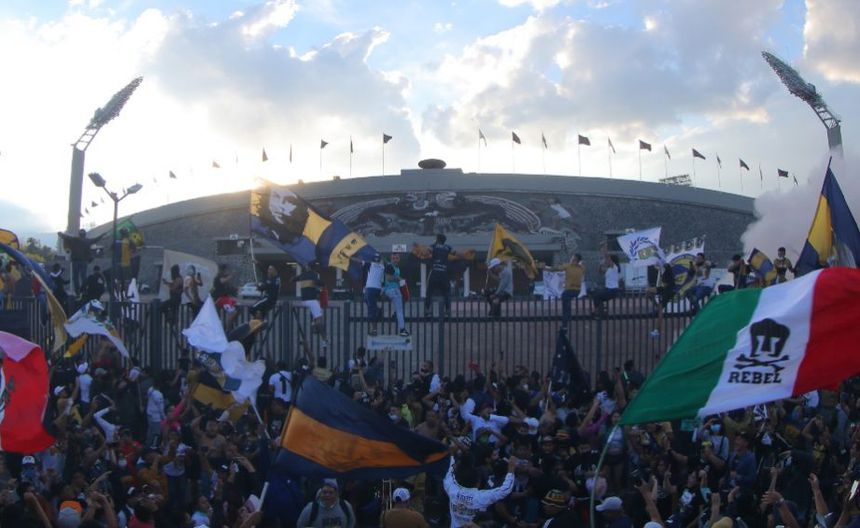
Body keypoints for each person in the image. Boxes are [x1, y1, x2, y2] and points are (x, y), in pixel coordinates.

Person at [444, 455, 517, 528]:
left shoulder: (452, 490)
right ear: (478, 483)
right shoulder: (480, 497)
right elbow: (505, 490)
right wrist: (511, 468)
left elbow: (447, 474)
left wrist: (451, 456)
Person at [58, 228, 104, 296]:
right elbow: (95, 239)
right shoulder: (87, 241)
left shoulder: (74, 239)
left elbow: (66, 237)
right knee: (83, 277)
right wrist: (102, 235)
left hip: (75, 261)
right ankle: (84, 290)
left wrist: (60, 234)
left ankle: (77, 292)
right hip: (83, 262)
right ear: (85, 234)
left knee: (76, 277)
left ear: (79, 234)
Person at [292, 262, 327, 342]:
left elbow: (292, 279)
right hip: (312, 299)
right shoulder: (314, 274)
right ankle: (324, 339)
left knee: (314, 312)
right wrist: (322, 285)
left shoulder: (302, 275)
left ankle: (313, 323)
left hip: (304, 300)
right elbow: (320, 283)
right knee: (319, 319)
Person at [424, 233, 457, 317]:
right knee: (446, 292)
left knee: (429, 291)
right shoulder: (447, 247)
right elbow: (454, 252)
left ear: (437, 239)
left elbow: (427, 251)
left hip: (435, 272)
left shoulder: (433, 246)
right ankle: (448, 310)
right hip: (444, 273)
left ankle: (427, 309)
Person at [545, 253, 585, 321]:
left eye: (573, 259)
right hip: (573, 289)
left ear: (576, 260)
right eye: (572, 258)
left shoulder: (575, 267)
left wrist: (546, 268)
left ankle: (566, 315)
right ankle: (567, 315)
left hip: (573, 289)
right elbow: (556, 269)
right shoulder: (574, 266)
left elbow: (556, 269)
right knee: (566, 299)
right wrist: (547, 268)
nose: (571, 260)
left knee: (565, 297)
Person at [383, 253, 410, 336]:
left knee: (402, 303)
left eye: (396, 258)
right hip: (392, 290)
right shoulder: (389, 266)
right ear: (391, 259)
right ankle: (402, 329)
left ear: (399, 259)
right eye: (393, 258)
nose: (395, 259)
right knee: (400, 310)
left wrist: (401, 280)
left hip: (395, 290)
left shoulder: (396, 268)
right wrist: (399, 279)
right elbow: (388, 278)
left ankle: (395, 314)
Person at [361, 254, 385, 336]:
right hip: (377, 289)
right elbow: (382, 280)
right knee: (367, 300)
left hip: (370, 288)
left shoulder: (370, 264)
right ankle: (377, 309)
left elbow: (359, 261)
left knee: (371, 309)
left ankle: (374, 330)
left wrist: (349, 257)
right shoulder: (382, 267)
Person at [591, 249, 620, 317]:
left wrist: (604, 249)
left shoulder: (614, 267)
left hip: (612, 290)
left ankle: (596, 311)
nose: (607, 261)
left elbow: (607, 257)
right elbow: (600, 271)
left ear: (612, 261)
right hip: (608, 289)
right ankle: (601, 312)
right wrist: (600, 264)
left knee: (597, 296)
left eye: (609, 260)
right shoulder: (609, 269)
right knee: (597, 296)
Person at [212, 263, 239, 330]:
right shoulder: (218, 278)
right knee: (232, 312)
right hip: (220, 299)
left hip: (224, 298)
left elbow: (228, 287)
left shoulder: (222, 277)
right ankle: (228, 329)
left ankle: (229, 326)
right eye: (225, 270)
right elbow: (223, 280)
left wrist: (235, 289)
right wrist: (232, 275)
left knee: (236, 307)